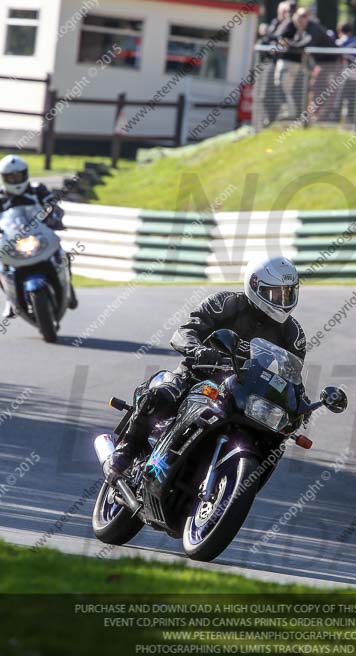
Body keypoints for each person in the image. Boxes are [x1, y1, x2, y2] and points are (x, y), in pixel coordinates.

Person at [106, 256, 308, 480]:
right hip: (198, 374)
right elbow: (184, 332)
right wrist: (198, 350)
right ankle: (127, 450)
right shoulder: (225, 303)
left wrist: (301, 403)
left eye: (288, 293)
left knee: (274, 438)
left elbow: (292, 376)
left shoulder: (293, 334)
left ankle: (237, 482)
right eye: (275, 293)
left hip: (245, 392)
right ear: (254, 286)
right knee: (161, 394)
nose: (282, 300)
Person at [0, 154, 77, 318]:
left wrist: (55, 218)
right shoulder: (0, 197)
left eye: (18, 175)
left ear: (25, 174)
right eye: (10, 176)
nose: (15, 180)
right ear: (4, 178)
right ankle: (10, 300)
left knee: (63, 254)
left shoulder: (37, 189)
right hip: (13, 242)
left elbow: (53, 205)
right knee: (1, 268)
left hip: (40, 236)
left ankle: (69, 288)